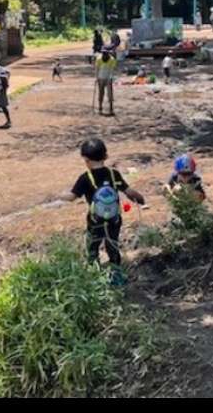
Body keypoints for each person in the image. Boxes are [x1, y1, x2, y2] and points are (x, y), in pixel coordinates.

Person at [69, 138, 146, 286]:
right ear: (105, 156)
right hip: (113, 221)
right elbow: (128, 191)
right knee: (113, 245)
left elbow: (72, 197)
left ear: (85, 159)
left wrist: (60, 197)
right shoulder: (114, 174)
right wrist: (139, 198)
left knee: (93, 246)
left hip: (95, 222)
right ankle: (116, 275)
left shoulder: (85, 178)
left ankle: (94, 274)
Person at [94, 49, 117, 115]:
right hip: (101, 78)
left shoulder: (112, 59)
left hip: (108, 78)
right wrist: (97, 77)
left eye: (106, 54)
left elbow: (112, 70)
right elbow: (97, 69)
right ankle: (100, 108)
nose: (105, 56)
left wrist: (110, 78)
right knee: (101, 93)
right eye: (103, 54)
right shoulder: (99, 59)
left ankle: (111, 109)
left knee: (110, 93)